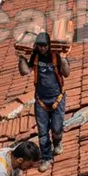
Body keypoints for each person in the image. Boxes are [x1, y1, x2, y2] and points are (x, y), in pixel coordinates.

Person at [17, 32, 70, 167]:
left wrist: (63, 61)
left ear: (49, 45)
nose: (42, 48)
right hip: (41, 100)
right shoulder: (35, 56)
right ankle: (46, 157)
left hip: (57, 98)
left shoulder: (56, 56)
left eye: (44, 46)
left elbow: (66, 73)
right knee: (42, 131)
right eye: (39, 46)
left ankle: (57, 142)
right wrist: (21, 59)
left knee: (57, 128)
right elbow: (24, 72)